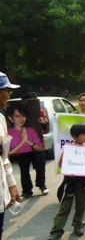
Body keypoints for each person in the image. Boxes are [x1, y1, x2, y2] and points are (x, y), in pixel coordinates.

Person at [47, 122, 85, 239]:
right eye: (83, 134)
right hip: (70, 183)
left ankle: (78, 225)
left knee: (81, 206)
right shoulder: (68, 149)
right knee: (64, 207)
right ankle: (56, 230)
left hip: (84, 183)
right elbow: (61, 164)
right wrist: (68, 170)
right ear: (75, 136)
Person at [7, 104, 48, 201]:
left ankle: (42, 185)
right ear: (10, 118)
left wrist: (29, 142)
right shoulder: (9, 132)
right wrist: (22, 142)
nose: (21, 119)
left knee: (40, 166)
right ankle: (27, 191)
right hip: (21, 153)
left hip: (35, 151)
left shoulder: (31, 130)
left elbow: (39, 147)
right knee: (24, 170)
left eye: (23, 116)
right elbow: (9, 152)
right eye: (17, 116)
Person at [0, 72, 20, 239]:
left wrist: (11, 184)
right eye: (8, 91)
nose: (9, 96)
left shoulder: (0, 118)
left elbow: (3, 155)